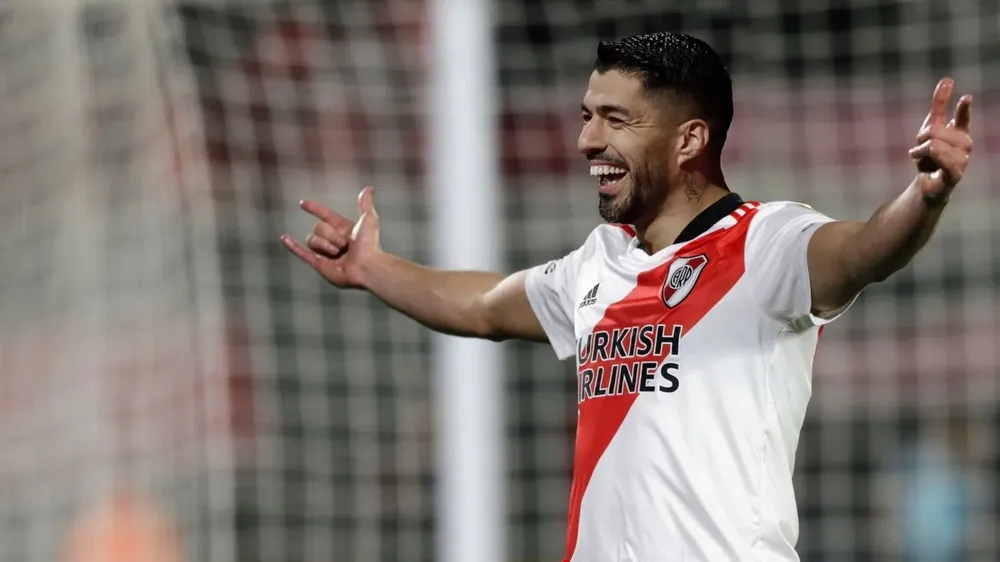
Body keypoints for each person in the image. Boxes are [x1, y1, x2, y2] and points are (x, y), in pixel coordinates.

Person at [281, 32, 974, 562]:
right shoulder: (599, 263)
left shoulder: (765, 244)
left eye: (615, 119)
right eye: (587, 116)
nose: (587, 141)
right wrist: (373, 267)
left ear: (689, 140)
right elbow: (486, 305)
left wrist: (926, 194)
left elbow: (863, 252)